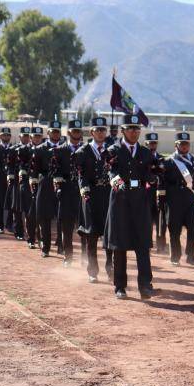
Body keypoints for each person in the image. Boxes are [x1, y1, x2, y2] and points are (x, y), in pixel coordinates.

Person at [104, 113, 156, 299]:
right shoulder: (113, 151)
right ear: (123, 130)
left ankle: (145, 285)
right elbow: (111, 173)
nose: (134, 132)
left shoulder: (145, 152)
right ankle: (120, 286)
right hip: (120, 203)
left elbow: (151, 172)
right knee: (120, 245)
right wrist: (120, 186)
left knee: (142, 245)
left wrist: (154, 176)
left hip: (140, 203)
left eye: (137, 129)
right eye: (130, 129)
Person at [77, 117, 114, 282]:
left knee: (109, 234)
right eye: (97, 130)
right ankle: (93, 271)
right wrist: (84, 189)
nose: (100, 133)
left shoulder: (111, 151)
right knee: (91, 235)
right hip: (90, 196)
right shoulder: (82, 152)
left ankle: (110, 267)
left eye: (103, 130)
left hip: (108, 196)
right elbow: (80, 175)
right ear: (92, 132)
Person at [164, 132, 194, 266]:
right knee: (174, 229)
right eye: (182, 144)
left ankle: (191, 256)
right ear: (176, 145)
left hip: (191, 198)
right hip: (174, 198)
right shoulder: (169, 161)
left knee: (193, 229)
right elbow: (163, 181)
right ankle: (175, 257)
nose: (184, 146)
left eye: (186, 144)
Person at [55, 119, 85, 266]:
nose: (77, 134)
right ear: (68, 133)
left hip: (83, 193)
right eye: (74, 131)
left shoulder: (86, 150)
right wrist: (58, 187)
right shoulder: (60, 150)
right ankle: (68, 256)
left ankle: (85, 257)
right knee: (67, 227)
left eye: (79, 131)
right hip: (66, 192)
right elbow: (55, 171)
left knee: (85, 227)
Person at [31, 121, 62, 257]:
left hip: (63, 185)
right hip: (46, 186)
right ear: (48, 133)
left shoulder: (65, 148)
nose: (55, 134)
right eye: (53, 131)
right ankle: (46, 247)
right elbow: (34, 170)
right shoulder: (40, 149)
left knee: (63, 217)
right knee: (45, 218)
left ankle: (61, 245)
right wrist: (34, 184)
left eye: (57, 131)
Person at [145, 132, 168, 254]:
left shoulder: (162, 159)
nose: (153, 145)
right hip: (147, 194)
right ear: (146, 144)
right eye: (150, 143)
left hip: (160, 193)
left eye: (154, 143)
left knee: (161, 220)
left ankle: (161, 245)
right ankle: (147, 244)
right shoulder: (143, 159)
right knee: (147, 221)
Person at [8, 127, 31, 240]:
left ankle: (30, 232)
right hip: (17, 181)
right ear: (20, 137)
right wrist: (10, 176)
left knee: (28, 207)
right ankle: (18, 231)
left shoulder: (31, 149)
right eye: (24, 136)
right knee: (17, 208)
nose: (26, 138)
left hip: (28, 180)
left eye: (27, 136)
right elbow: (10, 165)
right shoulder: (13, 149)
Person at [25, 127, 44, 249]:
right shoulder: (25, 150)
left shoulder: (45, 150)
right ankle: (31, 238)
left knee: (41, 214)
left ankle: (40, 238)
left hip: (42, 186)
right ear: (31, 138)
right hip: (29, 185)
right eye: (35, 136)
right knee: (31, 214)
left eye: (39, 136)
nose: (37, 138)